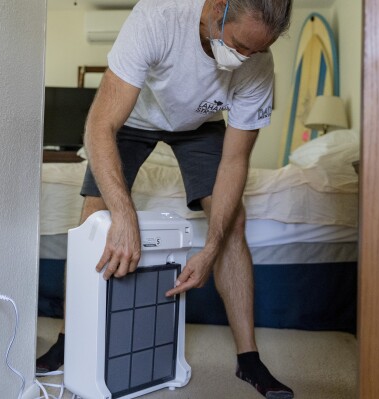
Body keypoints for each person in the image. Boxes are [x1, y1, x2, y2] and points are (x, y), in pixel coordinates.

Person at [37, 0, 294, 397]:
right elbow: (100, 126)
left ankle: (249, 359)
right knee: (95, 215)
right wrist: (124, 216)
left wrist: (210, 248)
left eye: (257, 51)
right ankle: (68, 339)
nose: (247, 59)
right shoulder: (158, 18)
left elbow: (234, 160)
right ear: (218, 8)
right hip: (132, 119)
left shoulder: (258, 64)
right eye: (241, 45)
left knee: (233, 222)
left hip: (199, 124)